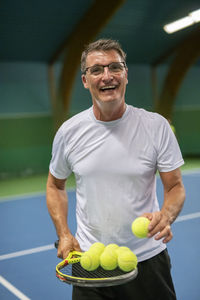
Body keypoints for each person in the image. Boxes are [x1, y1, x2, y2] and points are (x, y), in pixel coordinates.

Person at [46, 39, 185, 300]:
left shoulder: (156, 126)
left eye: (115, 67)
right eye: (96, 70)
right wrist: (64, 234)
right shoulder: (69, 132)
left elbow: (175, 186)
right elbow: (55, 185)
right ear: (85, 80)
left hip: (146, 259)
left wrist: (166, 215)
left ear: (126, 75)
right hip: (89, 259)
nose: (107, 76)